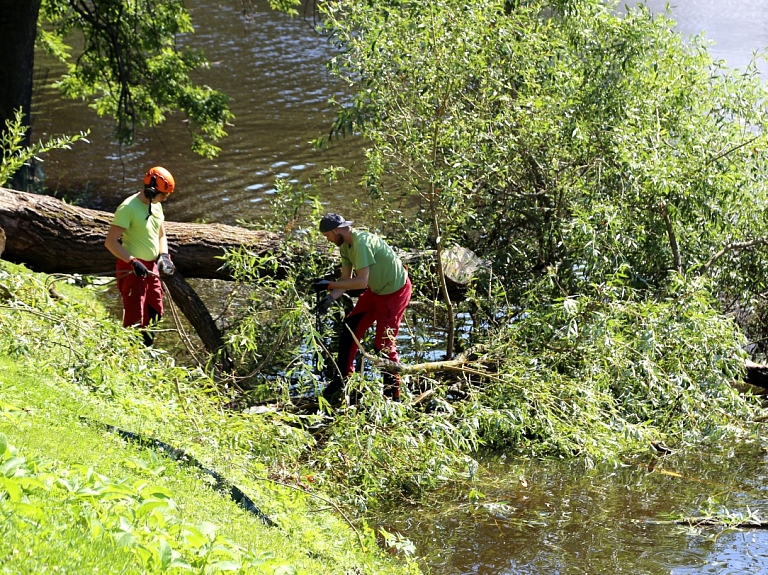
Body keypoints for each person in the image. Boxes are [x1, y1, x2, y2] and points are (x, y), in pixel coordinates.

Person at [314, 213, 412, 402]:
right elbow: (346, 280)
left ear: (336, 230)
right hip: (375, 292)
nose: (327, 239)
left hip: (394, 293)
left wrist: (329, 285)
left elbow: (360, 283)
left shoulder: (361, 243)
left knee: (383, 345)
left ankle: (393, 395)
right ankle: (343, 380)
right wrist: (329, 299)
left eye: (327, 236)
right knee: (351, 327)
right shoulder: (345, 246)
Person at [105, 166, 176, 345]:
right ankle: (129, 356)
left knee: (155, 312)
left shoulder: (156, 206)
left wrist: (164, 256)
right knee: (134, 317)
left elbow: (161, 235)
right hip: (133, 270)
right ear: (152, 190)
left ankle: (145, 351)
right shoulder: (128, 208)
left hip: (152, 268)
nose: (164, 200)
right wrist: (132, 261)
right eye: (163, 195)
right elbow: (111, 242)